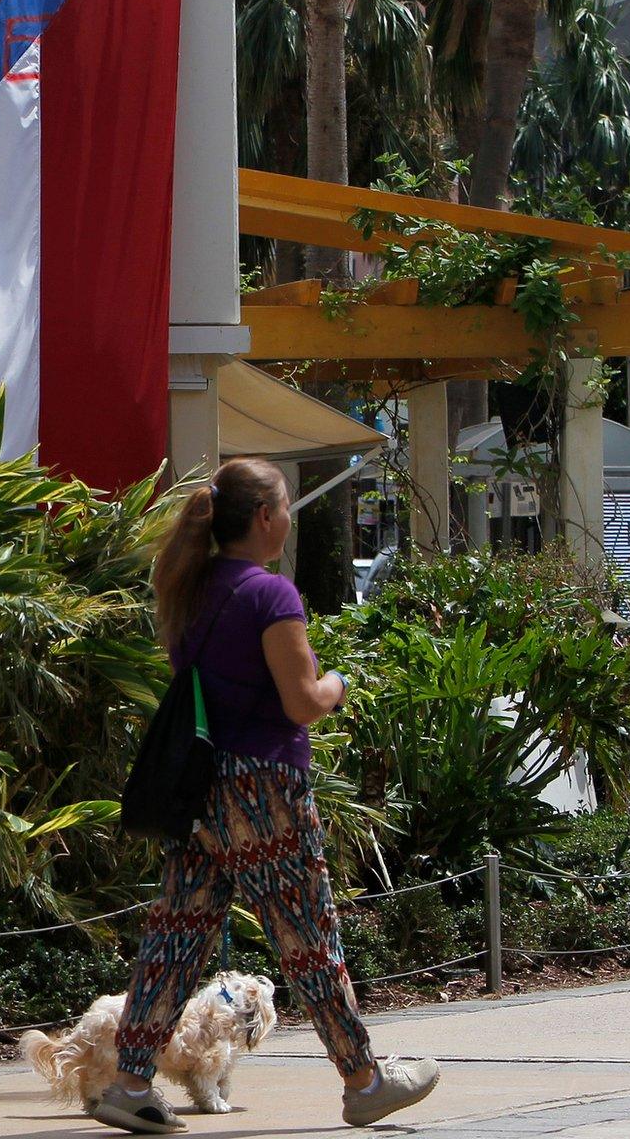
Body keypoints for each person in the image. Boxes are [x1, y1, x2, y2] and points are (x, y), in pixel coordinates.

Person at [89, 457, 439, 1134]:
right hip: (265, 789)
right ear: (264, 518)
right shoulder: (270, 594)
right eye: (285, 507)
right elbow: (301, 702)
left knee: (178, 934)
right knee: (308, 936)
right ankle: (364, 1081)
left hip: (199, 790)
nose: (289, 518)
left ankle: (130, 1081)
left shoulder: (188, 588)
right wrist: (339, 684)